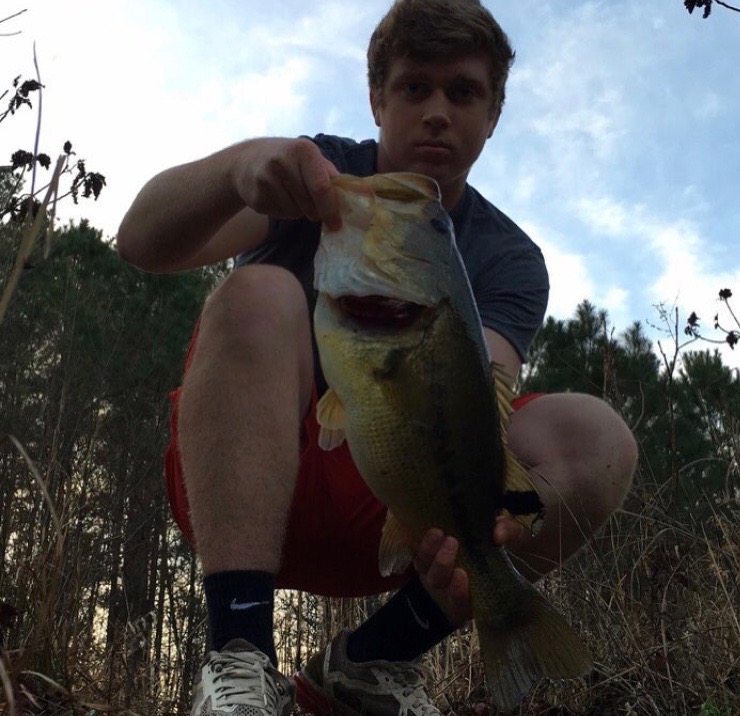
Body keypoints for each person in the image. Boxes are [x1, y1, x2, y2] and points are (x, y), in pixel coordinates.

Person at [116, 1, 638, 715]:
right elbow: (140, 242)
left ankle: (374, 660)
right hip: (246, 491)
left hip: (407, 510)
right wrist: (239, 170)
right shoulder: (315, 177)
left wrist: (492, 522)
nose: (436, 112)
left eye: (463, 92)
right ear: (376, 99)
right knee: (259, 290)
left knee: (598, 436)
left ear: (493, 115)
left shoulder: (511, 258)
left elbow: (481, 391)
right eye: (413, 87)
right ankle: (238, 663)